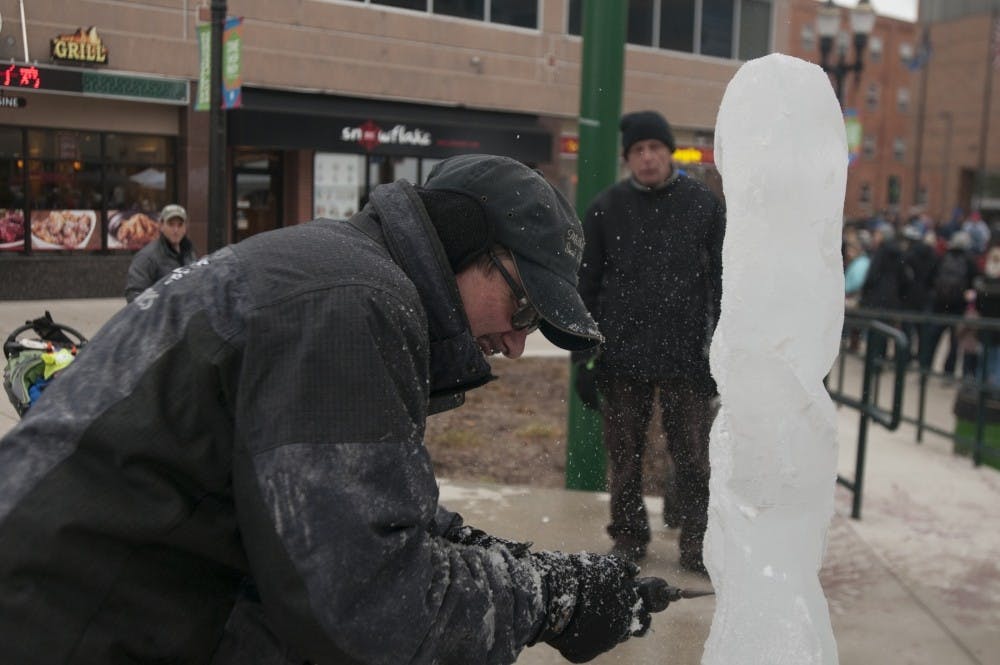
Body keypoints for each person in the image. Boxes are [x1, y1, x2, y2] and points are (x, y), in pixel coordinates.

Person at [0, 155, 675, 665]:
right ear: (466, 238)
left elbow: (350, 505)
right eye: (524, 307)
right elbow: (371, 606)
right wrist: (552, 599)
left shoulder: (339, 275)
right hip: (59, 619)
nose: (520, 344)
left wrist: (514, 561)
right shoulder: (351, 306)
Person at [574, 110, 725, 573]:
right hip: (622, 354)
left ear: (670, 151)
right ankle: (628, 534)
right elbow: (588, 285)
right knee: (624, 457)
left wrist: (721, 348)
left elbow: (722, 281)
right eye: (638, 151)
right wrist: (583, 356)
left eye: (655, 148)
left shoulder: (704, 205)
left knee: (695, 460)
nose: (647, 158)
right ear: (628, 159)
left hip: (688, 358)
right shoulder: (605, 209)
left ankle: (697, 541)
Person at [922, 230, 980, 379]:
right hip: (958, 307)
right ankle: (948, 373)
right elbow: (975, 284)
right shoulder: (969, 261)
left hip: (939, 306)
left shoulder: (942, 258)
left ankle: (925, 370)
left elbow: (929, 278)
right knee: (954, 344)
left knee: (932, 340)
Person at [124, 203, 198, 302]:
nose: (176, 230)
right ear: (161, 225)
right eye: (171, 224)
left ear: (185, 227)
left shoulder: (189, 253)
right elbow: (134, 295)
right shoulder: (147, 257)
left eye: (180, 225)